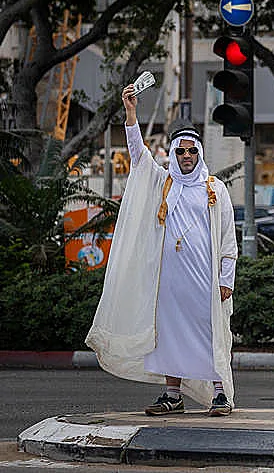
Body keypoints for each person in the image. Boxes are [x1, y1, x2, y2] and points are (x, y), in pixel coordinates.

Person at [86, 84, 238, 416]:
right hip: (168, 281)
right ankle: (172, 395)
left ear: (199, 154)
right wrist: (130, 114)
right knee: (168, 336)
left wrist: (227, 279)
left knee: (209, 333)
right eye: (180, 152)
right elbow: (138, 155)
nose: (186, 157)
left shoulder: (215, 189)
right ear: (173, 154)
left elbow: (228, 239)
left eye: (191, 152)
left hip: (205, 280)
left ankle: (219, 394)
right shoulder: (162, 182)